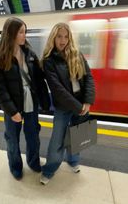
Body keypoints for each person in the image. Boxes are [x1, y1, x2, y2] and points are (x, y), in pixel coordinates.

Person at [0, 17, 50, 180]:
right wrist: (11, 111)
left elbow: (38, 79)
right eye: (21, 32)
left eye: (25, 31)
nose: (25, 35)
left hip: (31, 100)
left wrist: (45, 100)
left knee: (33, 134)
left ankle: (33, 162)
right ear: (11, 34)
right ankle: (15, 167)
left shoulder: (29, 53)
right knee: (12, 138)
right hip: (14, 105)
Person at [40, 22, 95, 185]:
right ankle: (49, 169)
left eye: (65, 36)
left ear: (69, 38)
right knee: (57, 140)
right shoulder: (49, 61)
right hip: (64, 107)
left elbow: (89, 78)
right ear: (53, 38)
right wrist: (79, 108)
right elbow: (57, 89)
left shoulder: (77, 54)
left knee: (78, 136)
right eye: (59, 36)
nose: (62, 40)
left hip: (81, 104)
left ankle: (73, 161)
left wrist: (88, 101)